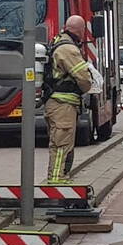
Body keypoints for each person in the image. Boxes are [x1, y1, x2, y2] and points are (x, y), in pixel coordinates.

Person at [44, 15, 94, 183]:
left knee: (61, 142)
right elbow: (84, 78)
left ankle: (59, 178)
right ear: (80, 30)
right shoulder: (68, 49)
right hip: (62, 105)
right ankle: (57, 180)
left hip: (59, 103)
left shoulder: (59, 41)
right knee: (61, 144)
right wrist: (89, 88)